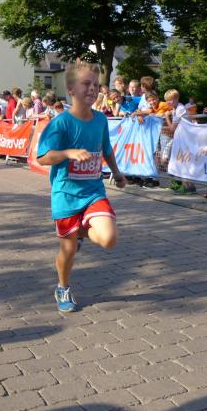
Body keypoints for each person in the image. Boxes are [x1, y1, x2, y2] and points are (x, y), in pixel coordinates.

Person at [37, 60, 126, 313]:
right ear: (71, 89)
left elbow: (106, 149)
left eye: (96, 85)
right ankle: (62, 287)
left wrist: (117, 172)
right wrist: (68, 153)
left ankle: (79, 232)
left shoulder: (100, 120)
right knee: (68, 251)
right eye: (86, 83)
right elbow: (43, 157)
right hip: (65, 194)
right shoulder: (60, 123)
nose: (93, 88)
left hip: (93, 192)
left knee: (109, 239)